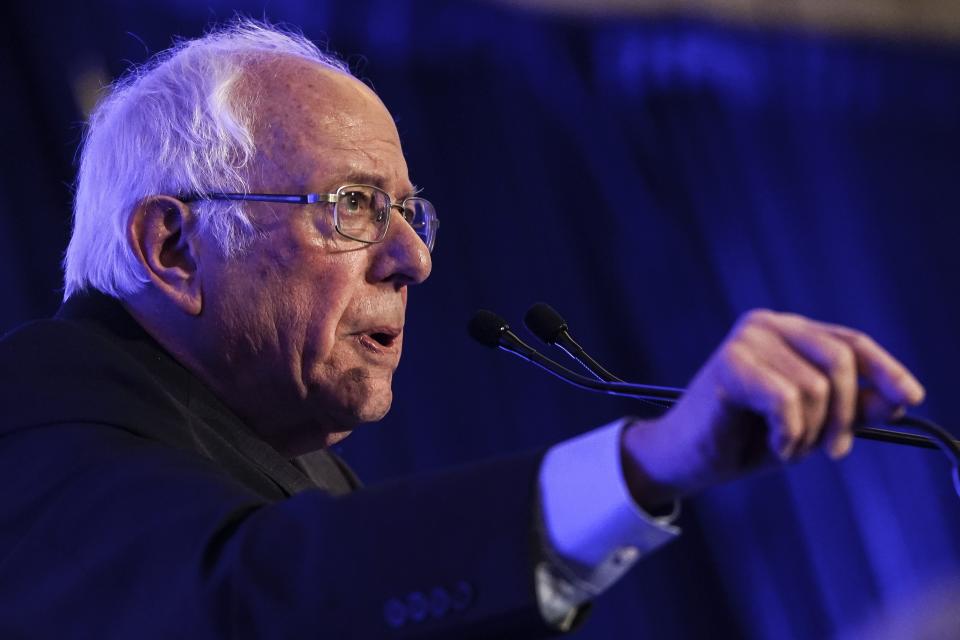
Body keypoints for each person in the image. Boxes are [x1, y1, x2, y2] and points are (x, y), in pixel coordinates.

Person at [0, 20, 925, 639]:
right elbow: (261, 599)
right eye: (353, 205)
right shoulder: (38, 424)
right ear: (172, 247)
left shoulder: (289, 462)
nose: (414, 259)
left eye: (413, 213)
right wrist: (640, 467)